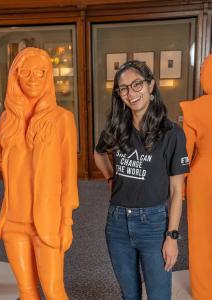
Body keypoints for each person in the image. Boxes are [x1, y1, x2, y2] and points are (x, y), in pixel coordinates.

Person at [94, 60, 189, 300]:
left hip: (154, 225)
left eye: (137, 84)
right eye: (123, 88)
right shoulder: (117, 126)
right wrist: (110, 180)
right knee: (130, 295)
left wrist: (172, 237)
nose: (131, 93)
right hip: (116, 223)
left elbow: (178, 191)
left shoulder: (172, 133)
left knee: (158, 296)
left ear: (151, 86)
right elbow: (98, 152)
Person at [0, 47, 78, 300]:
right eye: (26, 72)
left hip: (47, 221)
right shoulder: (8, 118)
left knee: (53, 291)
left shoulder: (63, 119)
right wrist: (8, 164)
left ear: (48, 77)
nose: (32, 78)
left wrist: (67, 222)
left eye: (40, 73)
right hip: (13, 220)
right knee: (26, 291)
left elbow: (69, 176)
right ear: (15, 76)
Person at [180, 53, 212, 300]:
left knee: (201, 238)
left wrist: (178, 188)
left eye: (203, 69)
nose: (201, 73)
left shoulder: (193, 109)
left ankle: (203, 292)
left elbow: (185, 154)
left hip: (202, 178)